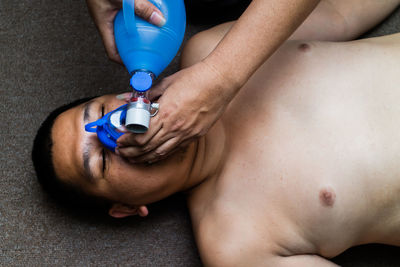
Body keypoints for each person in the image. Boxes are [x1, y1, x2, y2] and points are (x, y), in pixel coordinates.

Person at [33, 1, 400, 265]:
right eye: (99, 161)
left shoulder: (211, 50)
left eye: (101, 112)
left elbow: (342, 11)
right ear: (126, 208)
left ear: (129, 94)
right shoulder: (235, 244)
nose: (114, 132)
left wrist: (223, 75)